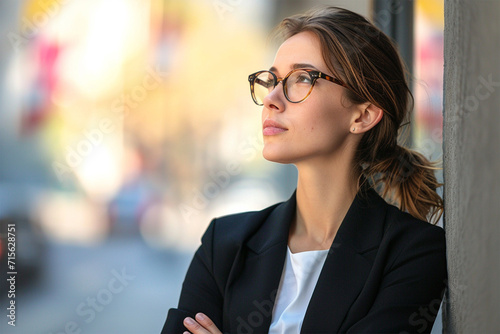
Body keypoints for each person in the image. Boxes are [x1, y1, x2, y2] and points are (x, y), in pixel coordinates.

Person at [161, 6, 447, 334]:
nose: (271, 98)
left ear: (362, 115)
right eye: (272, 80)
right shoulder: (223, 245)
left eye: (302, 78)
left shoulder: (413, 252)